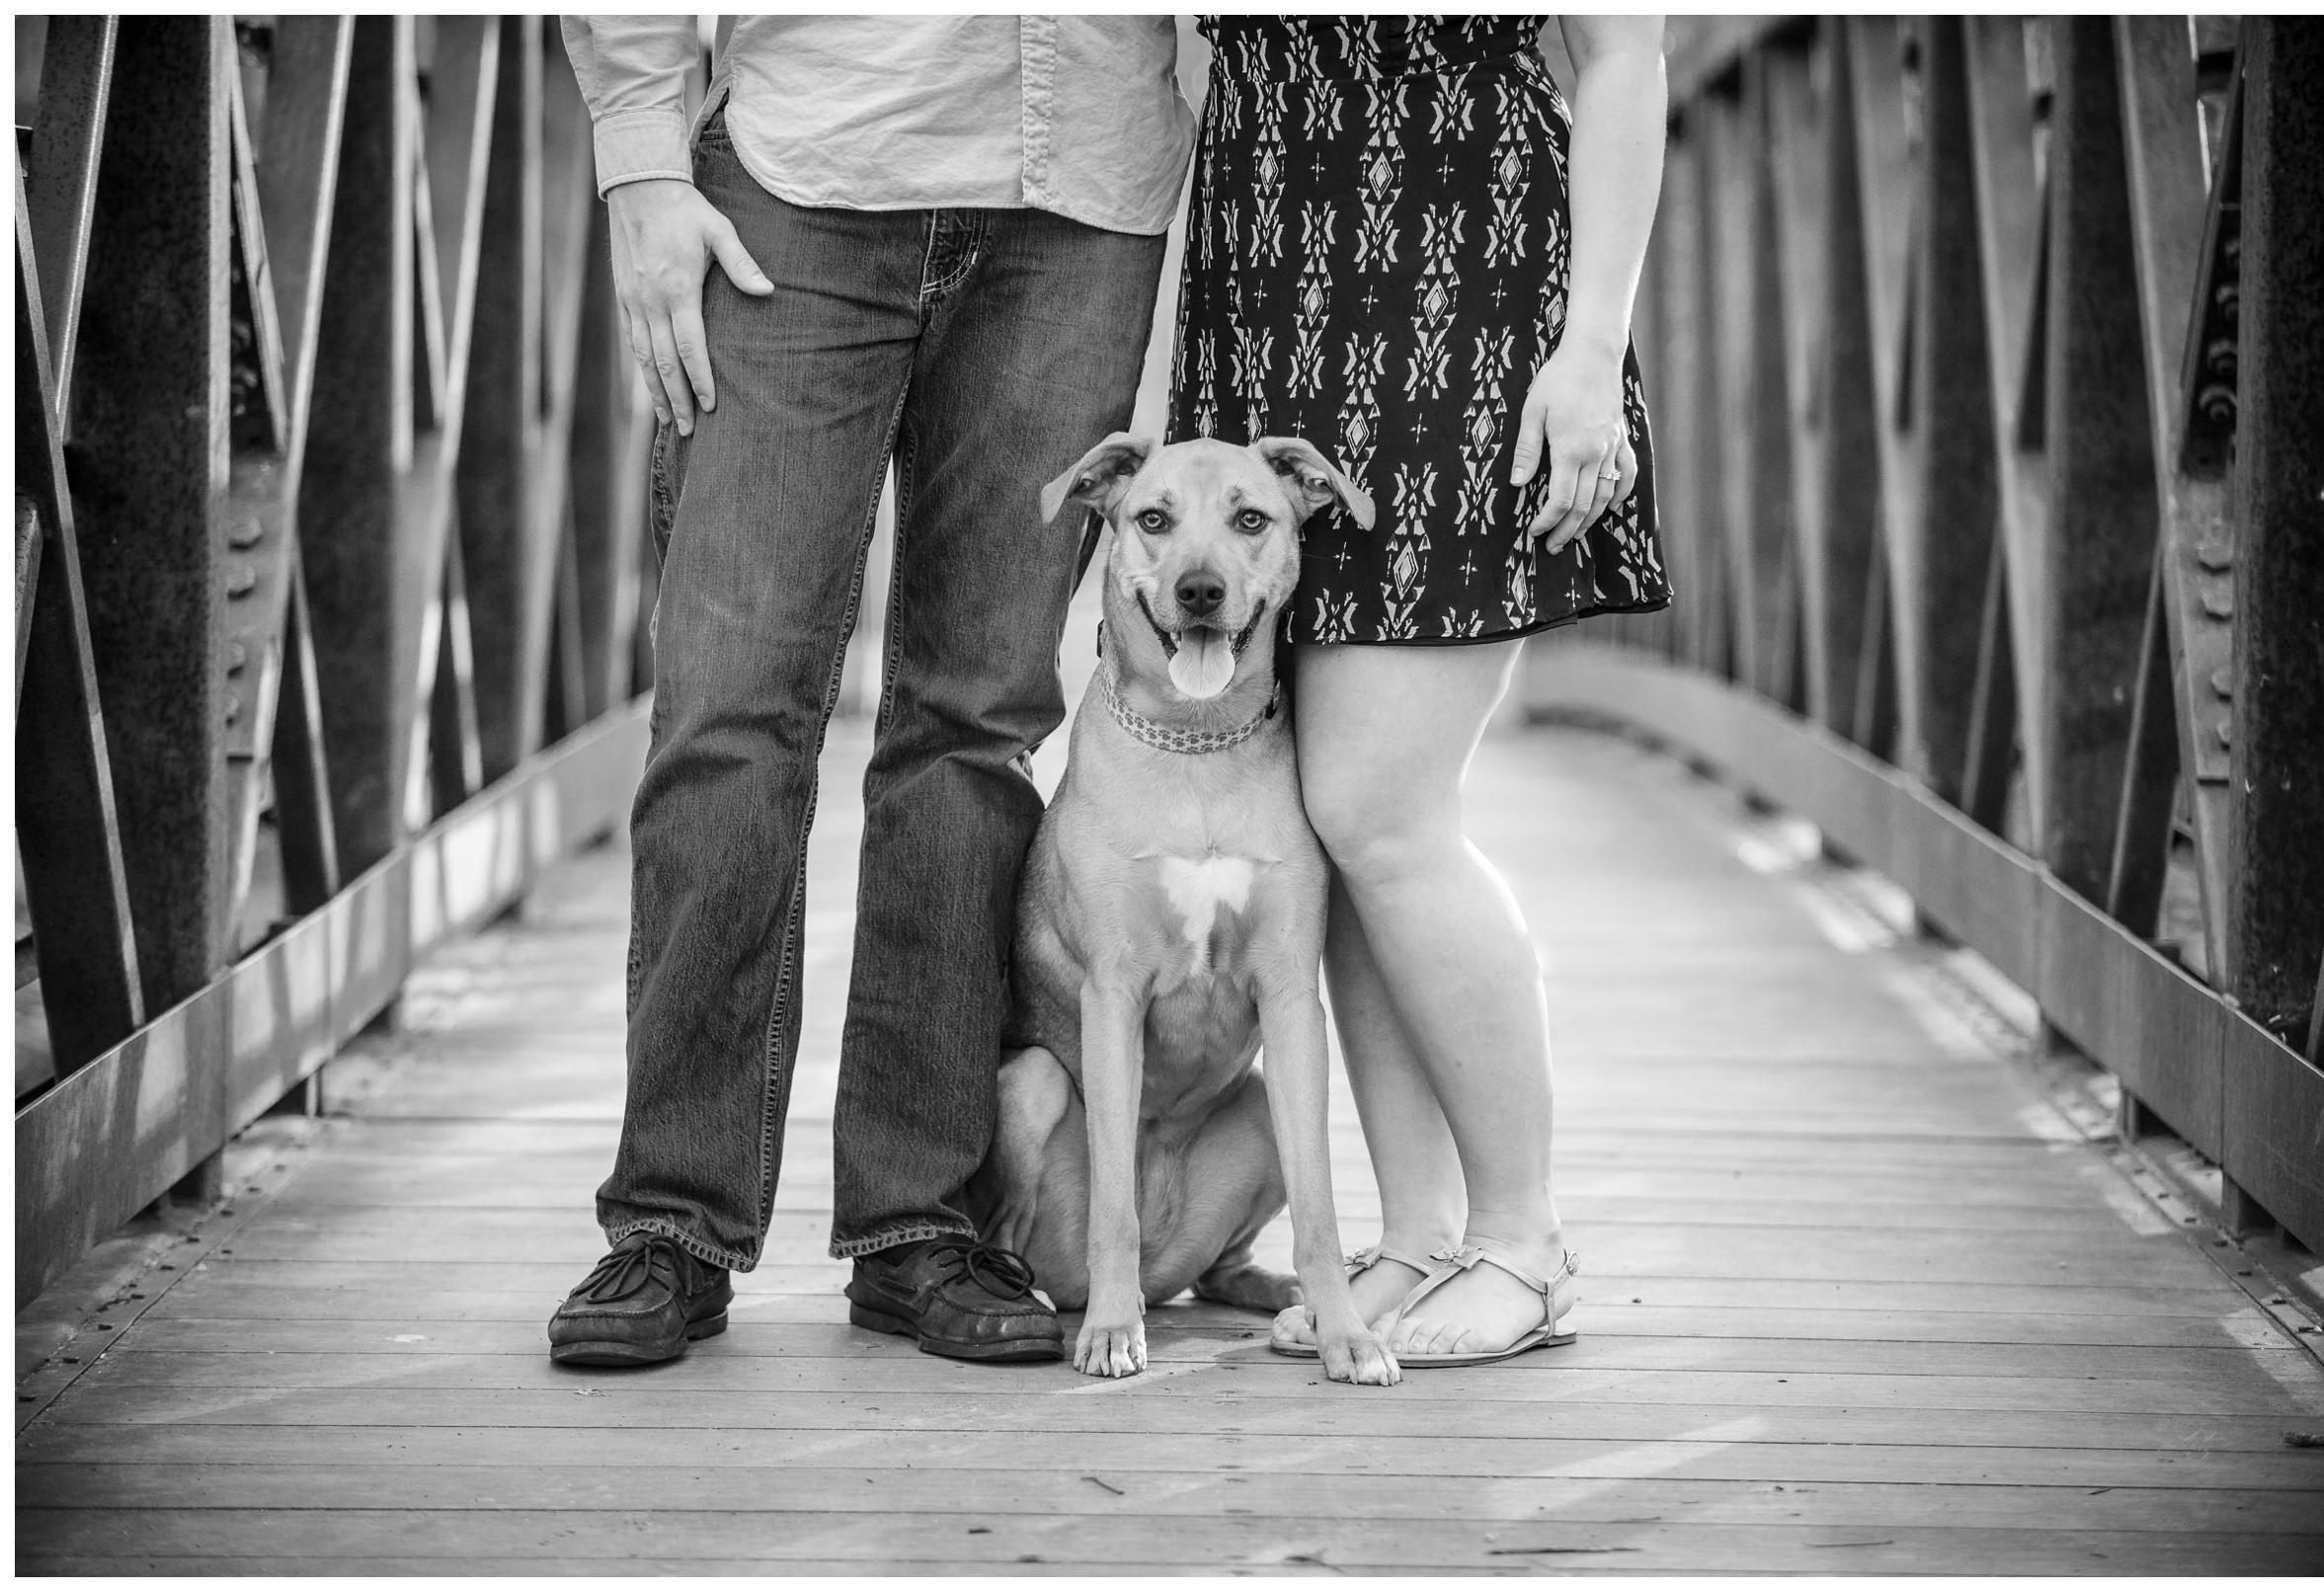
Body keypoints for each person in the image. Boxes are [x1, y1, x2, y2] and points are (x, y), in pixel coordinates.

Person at [548, 17, 1193, 1367]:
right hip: (803, 168)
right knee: (731, 709)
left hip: (1080, 192)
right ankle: (672, 1219)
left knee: (980, 720)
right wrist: (642, 162)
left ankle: (921, 1224)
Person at [1169, 15, 1669, 1365]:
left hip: (1464, 282)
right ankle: (1420, 1235)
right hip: (1265, 281)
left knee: (1377, 803)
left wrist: (1591, 349)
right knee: (1330, 821)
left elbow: (1625, 59)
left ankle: (1526, 1241)